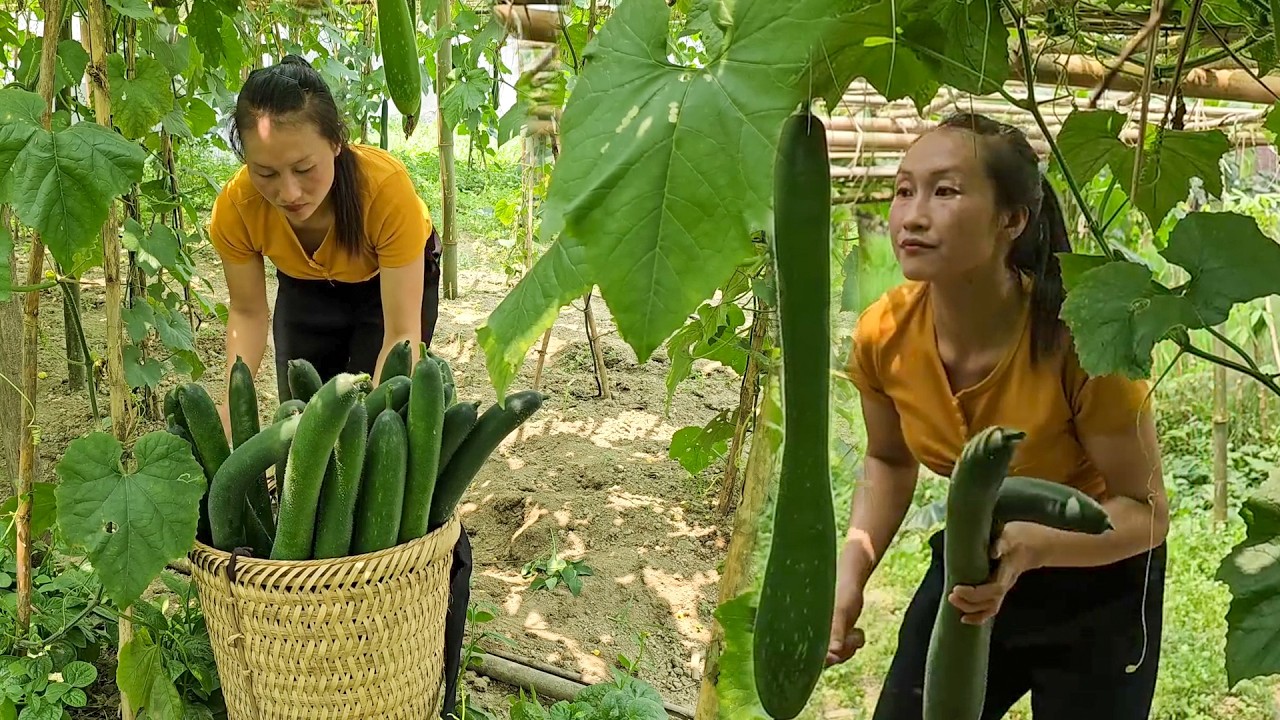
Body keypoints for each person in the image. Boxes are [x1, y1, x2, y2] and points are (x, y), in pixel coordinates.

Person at [826, 113, 1170, 719]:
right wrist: (849, 572)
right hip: (977, 560)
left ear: (1012, 220)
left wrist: (1034, 547)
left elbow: (1145, 514)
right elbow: (887, 459)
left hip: (1102, 577)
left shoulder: (1083, 343)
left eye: (946, 190)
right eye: (905, 189)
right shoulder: (884, 332)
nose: (913, 214)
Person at [206, 55, 470, 718]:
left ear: (336, 142)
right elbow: (246, 315)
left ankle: (424, 648)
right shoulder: (239, 206)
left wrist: (383, 446)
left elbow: (402, 334)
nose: (289, 190)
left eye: (305, 169)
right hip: (308, 288)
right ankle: (316, 631)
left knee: (382, 437)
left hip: (390, 294)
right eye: (266, 172)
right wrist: (231, 424)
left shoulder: (383, 188)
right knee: (307, 438)